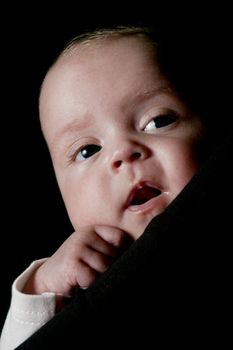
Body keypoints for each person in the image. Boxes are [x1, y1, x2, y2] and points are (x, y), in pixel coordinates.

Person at [0, 25, 212, 349]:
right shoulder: (81, 281)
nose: (123, 153)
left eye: (157, 121)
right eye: (88, 150)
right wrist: (43, 289)